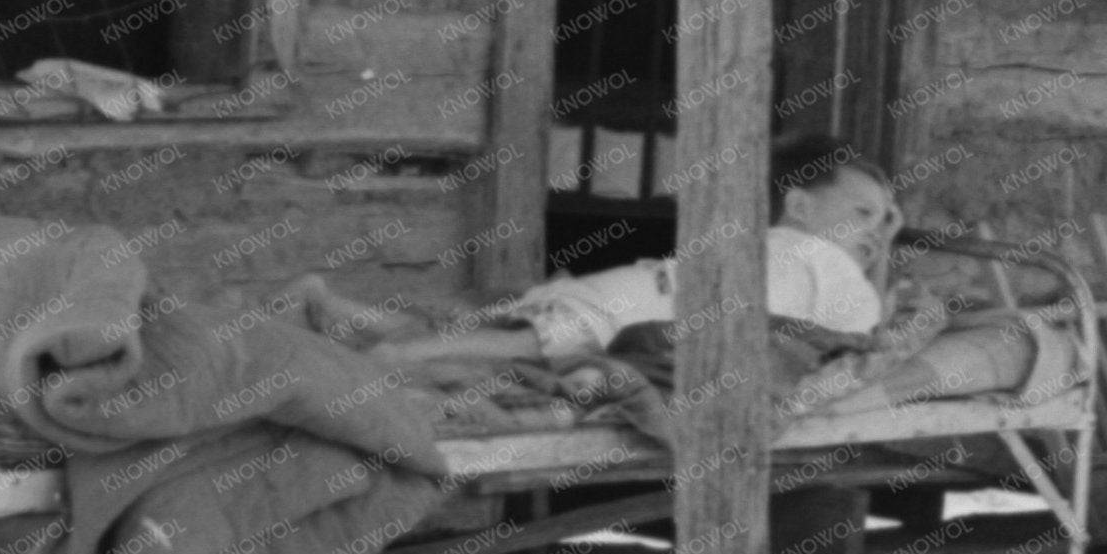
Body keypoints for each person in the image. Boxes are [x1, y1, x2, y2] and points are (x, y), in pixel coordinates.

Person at [294, 137, 898, 378]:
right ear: (799, 204)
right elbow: (862, 322)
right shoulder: (822, 258)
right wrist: (880, 254)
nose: (871, 231)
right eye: (863, 213)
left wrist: (876, 240)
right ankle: (396, 354)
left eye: (881, 219)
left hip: (631, 288)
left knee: (499, 329)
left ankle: (342, 310)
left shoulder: (769, 244)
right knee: (522, 345)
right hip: (632, 313)